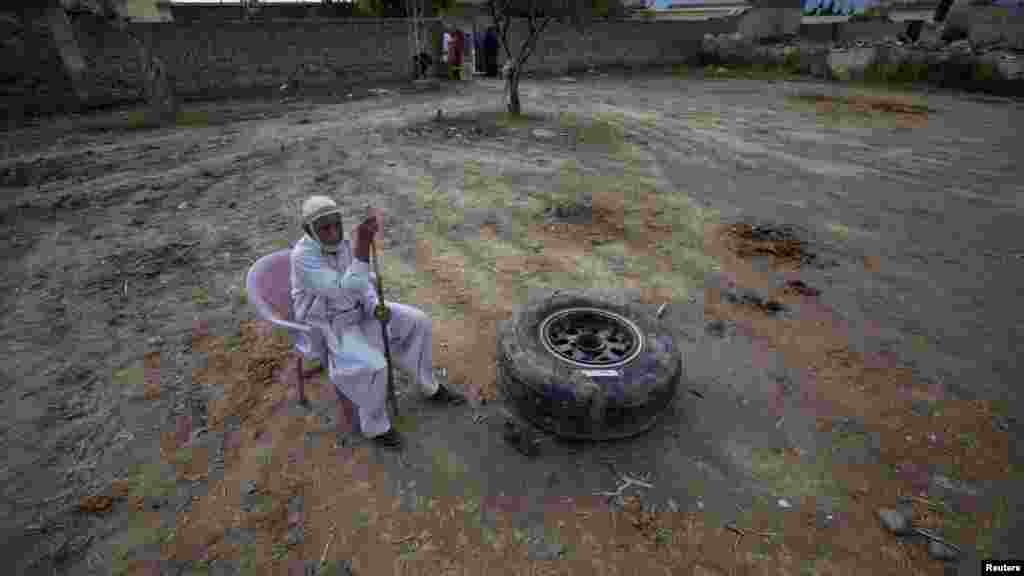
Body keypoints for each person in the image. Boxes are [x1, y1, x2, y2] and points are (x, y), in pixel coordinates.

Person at [291, 195, 467, 450]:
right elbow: (342, 290)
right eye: (324, 228)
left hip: (361, 311)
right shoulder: (301, 257)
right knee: (374, 366)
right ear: (309, 230)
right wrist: (363, 244)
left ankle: (430, 386)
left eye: (336, 225)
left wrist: (374, 306)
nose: (333, 233)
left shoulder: (345, 242)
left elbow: (363, 284)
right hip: (331, 325)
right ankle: (375, 426)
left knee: (418, 322)